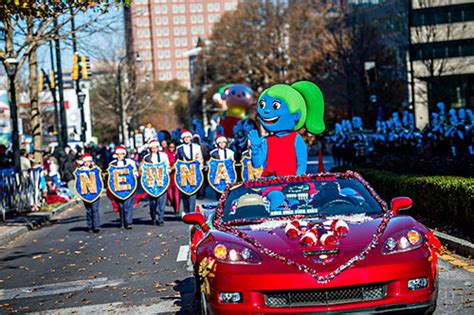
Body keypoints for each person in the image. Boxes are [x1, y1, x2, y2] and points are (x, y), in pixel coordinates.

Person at [248, 81, 325, 176]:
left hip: (290, 183)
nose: (267, 111)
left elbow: (301, 164)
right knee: (274, 192)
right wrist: (255, 148)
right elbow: (257, 164)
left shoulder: (296, 139)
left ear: (296, 115)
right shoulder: (267, 141)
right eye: (263, 105)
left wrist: (296, 181)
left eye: (275, 106)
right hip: (270, 182)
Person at [140, 140, 170, 226]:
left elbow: (167, 166)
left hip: (162, 181)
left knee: (162, 201)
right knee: (153, 202)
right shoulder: (146, 157)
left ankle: (160, 219)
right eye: (152, 148)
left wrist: (167, 170)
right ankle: (153, 217)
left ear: (158, 148)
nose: (154, 149)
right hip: (151, 182)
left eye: (155, 147)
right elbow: (142, 168)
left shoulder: (164, 156)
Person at [108, 145, 137, 229]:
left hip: (129, 187)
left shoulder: (130, 163)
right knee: (121, 206)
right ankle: (122, 221)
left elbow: (134, 172)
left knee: (128, 205)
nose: (120, 156)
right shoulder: (112, 164)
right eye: (118, 154)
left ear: (124, 154)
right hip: (118, 188)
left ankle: (128, 222)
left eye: (121, 154)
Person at [176, 129, 203, 215]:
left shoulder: (197, 147)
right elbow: (178, 161)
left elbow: (200, 159)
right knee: (184, 192)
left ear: (190, 138)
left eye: (188, 137)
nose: (186, 139)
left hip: (193, 172)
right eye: (185, 137)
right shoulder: (179, 148)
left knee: (193, 192)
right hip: (183, 172)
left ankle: (192, 212)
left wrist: (200, 169)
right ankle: (186, 210)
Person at [78, 153, 101, 233]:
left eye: (89, 161)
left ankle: (96, 225)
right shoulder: (80, 171)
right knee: (88, 210)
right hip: (86, 193)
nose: (87, 163)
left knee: (95, 209)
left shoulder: (96, 169)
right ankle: (90, 226)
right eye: (85, 162)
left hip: (95, 192)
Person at [165, 141, 180, 214]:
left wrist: (173, 168)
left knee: (176, 192)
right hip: (168, 175)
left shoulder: (177, 154)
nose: (171, 148)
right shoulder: (165, 154)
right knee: (169, 192)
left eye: (173, 147)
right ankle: (173, 203)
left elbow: (178, 162)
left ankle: (177, 209)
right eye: (170, 147)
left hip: (175, 174)